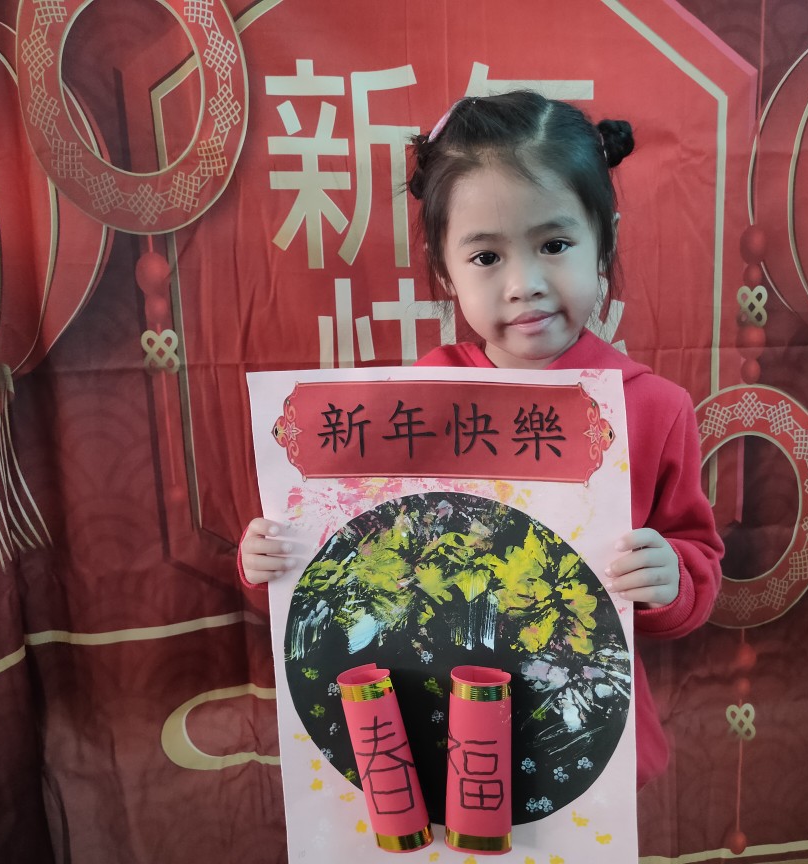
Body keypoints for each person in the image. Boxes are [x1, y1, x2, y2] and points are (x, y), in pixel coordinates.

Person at [240, 91, 724, 790]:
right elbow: (351, 560)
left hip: (578, 741)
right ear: (444, 269)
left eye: (554, 245)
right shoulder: (410, 407)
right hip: (433, 734)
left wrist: (671, 577)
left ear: (605, 240)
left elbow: (697, 559)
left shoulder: (651, 408)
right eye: (487, 256)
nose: (524, 285)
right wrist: (275, 558)